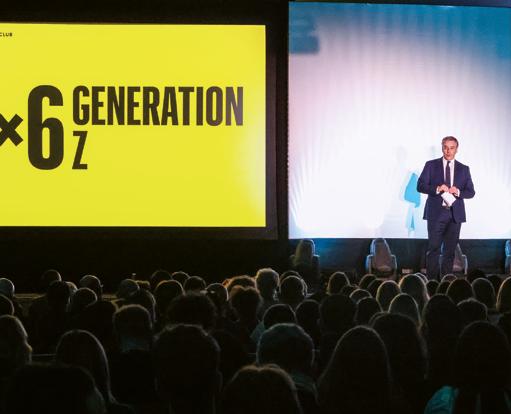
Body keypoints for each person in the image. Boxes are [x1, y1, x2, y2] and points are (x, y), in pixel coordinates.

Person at [418, 136, 475, 280]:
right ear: (442, 148)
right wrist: (437, 188)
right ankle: (432, 282)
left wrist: (458, 192)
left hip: (455, 214)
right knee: (434, 249)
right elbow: (420, 186)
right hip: (436, 214)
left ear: (457, 149)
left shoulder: (464, 169)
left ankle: (446, 282)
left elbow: (471, 192)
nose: (448, 151)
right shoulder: (431, 165)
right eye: (446, 147)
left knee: (450, 252)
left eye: (452, 148)